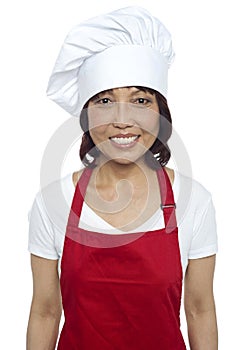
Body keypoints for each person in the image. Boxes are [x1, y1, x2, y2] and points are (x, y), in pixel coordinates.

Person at [26, 6, 218, 349]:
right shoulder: (52, 203)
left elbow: (199, 309)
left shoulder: (195, 201)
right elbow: (45, 311)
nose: (123, 120)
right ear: (86, 115)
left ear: (161, 114)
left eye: (141, 100)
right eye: (105, 100)